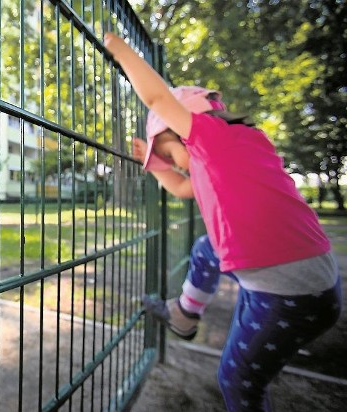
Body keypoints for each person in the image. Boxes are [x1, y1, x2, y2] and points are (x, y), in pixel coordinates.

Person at [103, 33, 342, 411]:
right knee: (206, 248)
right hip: (305, 281)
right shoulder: (238, 150)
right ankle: (184, 314)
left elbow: (157, 99)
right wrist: (157, 161)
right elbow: (182, 188)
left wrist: (119, 49)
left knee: (238, 382)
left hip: (290, 295)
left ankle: (187, 317)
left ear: (186, 126)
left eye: (170, 150)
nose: (177, 161)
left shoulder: (214, 141)